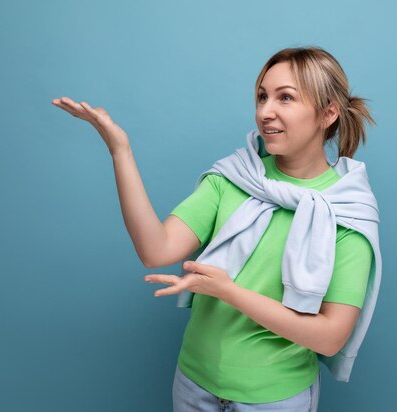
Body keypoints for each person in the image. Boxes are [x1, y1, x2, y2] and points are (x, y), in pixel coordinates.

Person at [52, 46, 379, 411]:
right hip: (194, 386)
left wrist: (227, 291)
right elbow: (155, 251)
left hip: (275, 400)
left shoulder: (346, 210)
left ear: (328, 113)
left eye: (285, 98)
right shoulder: (234, 178)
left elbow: (331, 337)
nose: (265, 112)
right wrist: (120, 152)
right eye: (261, 96)